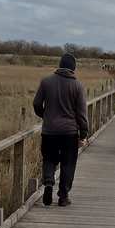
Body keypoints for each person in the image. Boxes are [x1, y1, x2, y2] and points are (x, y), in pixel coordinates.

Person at [32, 53, 88, 207]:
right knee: (68, 164)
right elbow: (82, 114)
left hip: (49, 131)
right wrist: (83, 134)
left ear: (59, 65)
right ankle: (63, 196)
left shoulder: (46, 82)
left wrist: (46, 116)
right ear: (73, 68)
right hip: (69, 133)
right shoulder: (78, 86)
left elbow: (36, 104)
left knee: (49, 158)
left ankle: (49, 181)